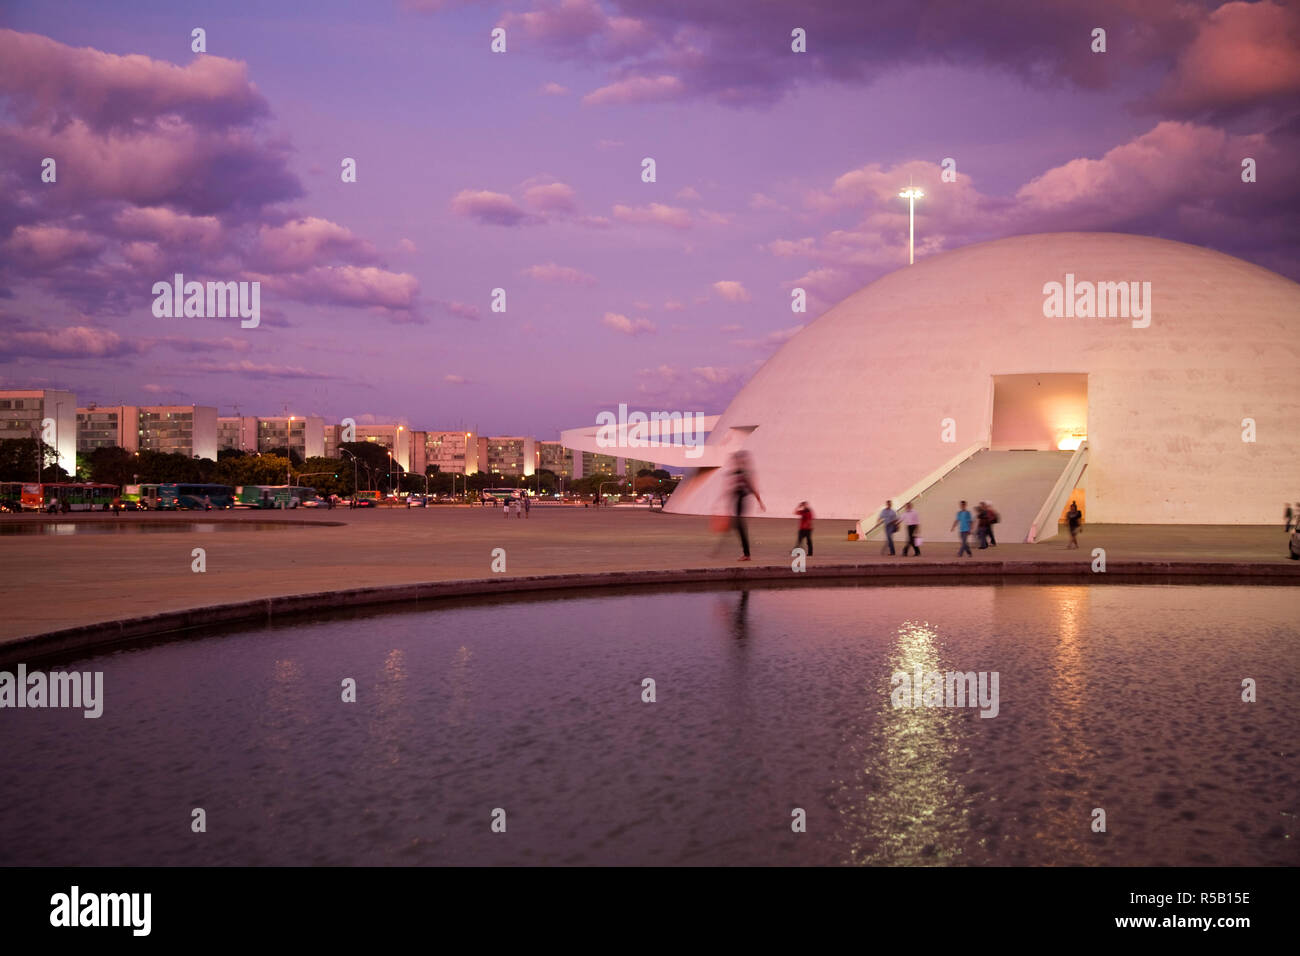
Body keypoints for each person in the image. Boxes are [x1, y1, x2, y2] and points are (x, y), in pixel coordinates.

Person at [728, 451, 764, 561]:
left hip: (742, 500)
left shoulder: (744, 473)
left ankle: (746, 554)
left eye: (738, 460)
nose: (736, 462)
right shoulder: (736, 472)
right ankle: (746, 553)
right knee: (738, 526)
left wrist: (760, 502)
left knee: (740, 525)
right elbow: (732, 488)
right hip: (737, 500)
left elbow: (752, 488)